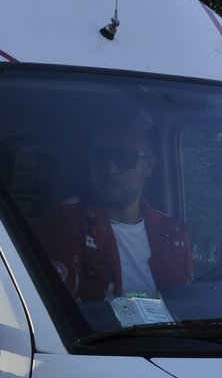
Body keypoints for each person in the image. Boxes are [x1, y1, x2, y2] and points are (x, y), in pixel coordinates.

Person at [33, 124, 192, 301]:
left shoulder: (171, 231)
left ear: (148, 166)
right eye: (100, 158)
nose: (110, 170)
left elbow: (185, 304)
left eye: (124, 159)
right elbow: (58, 307)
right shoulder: (67, 223)